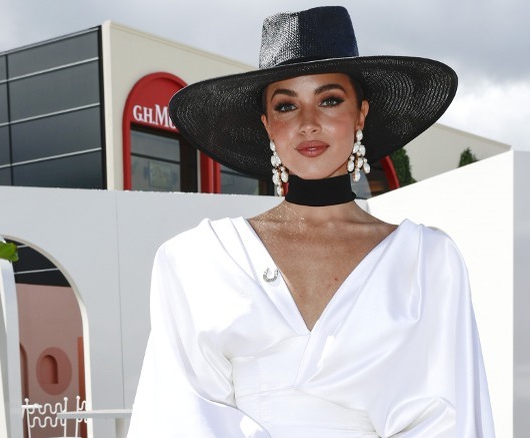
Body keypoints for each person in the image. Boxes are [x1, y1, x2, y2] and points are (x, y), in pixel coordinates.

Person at [128, 6, 494, 437]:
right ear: (267, 124)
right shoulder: (199, 260)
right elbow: (179, 418)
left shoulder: (427, 262)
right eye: (286, 106)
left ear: (361, 114)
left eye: (330, 100)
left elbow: (453, 419)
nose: (308, 123)